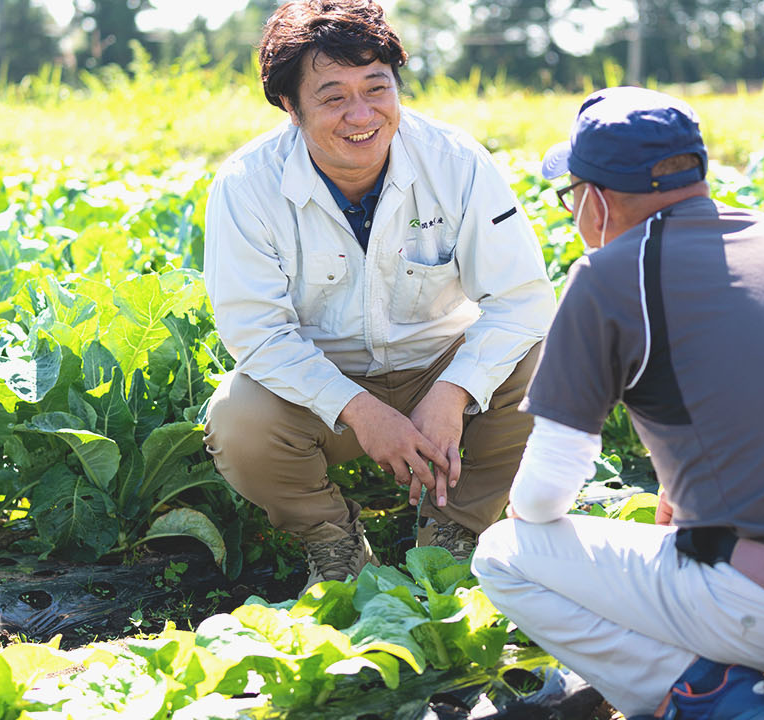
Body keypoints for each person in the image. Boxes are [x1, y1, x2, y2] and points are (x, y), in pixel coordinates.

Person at [471, 87, 764, 720]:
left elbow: (547, 491)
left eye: (572, 194)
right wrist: (681, 498)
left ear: (597, 199)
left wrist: (523, 515)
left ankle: (710, 695)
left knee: (503, 554)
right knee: (710, 537)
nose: (574, 213)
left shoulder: (608, 275)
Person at [202, 0, 555, 593]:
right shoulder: (247, 186)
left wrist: (452, 392)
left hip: (438, 366)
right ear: (290, 106)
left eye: (377, 87)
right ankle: (331, 540)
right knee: (239, 421)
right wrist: (361, 412)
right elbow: (256, 334)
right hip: (323, 385)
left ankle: (454, 531)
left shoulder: (457, 162)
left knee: (544, 366)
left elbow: (522, 299)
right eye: (332, 96)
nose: (361, 114)